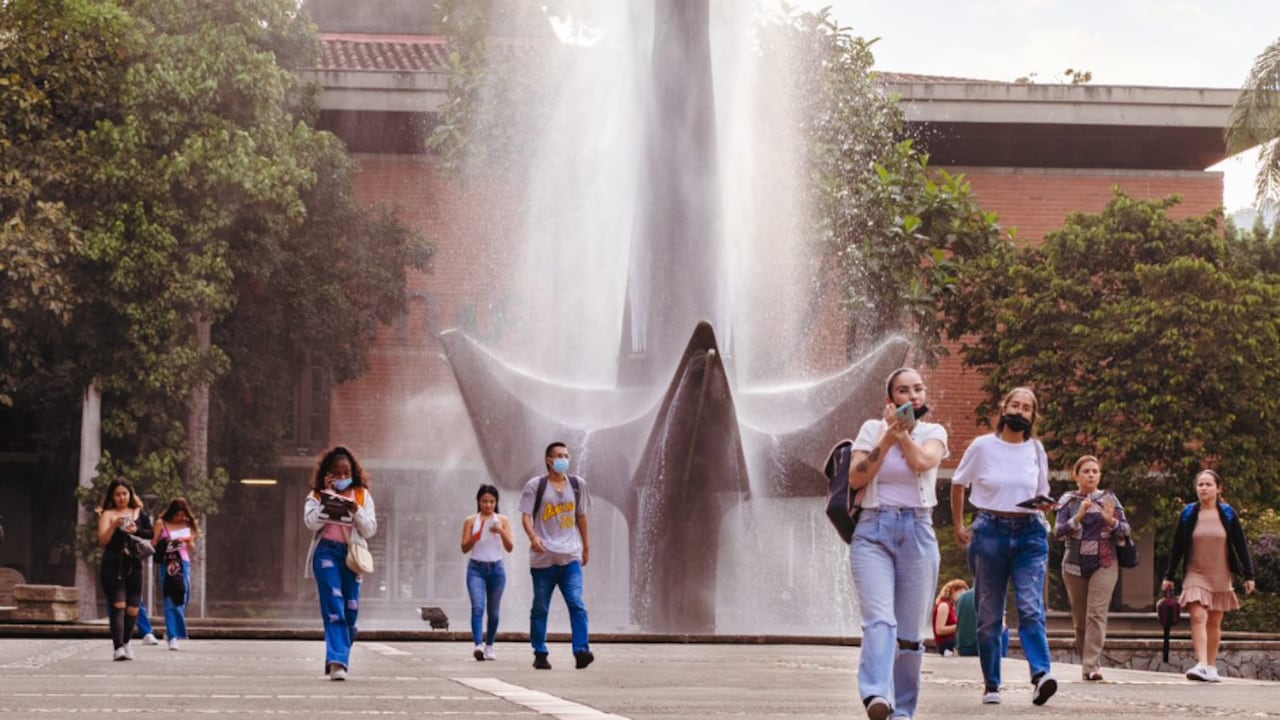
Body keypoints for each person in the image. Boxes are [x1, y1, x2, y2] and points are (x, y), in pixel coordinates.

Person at [846, 367, 948, 720]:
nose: (913, 396)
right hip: (873, 530)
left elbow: (922, 462)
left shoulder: (934, 432)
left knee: (909, 635)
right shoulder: (871, 430)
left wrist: (903, 435)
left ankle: (903, 711)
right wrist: (887, 437)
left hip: (917, 532)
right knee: (879, 620)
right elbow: (857, 477)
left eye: (918, 389)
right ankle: (876, 694)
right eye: (904, 391)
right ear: (890, 400)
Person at [950, 386, 1057, 707]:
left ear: (1032, 416)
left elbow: (1041, 491)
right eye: (1015, 405)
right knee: (989, 614)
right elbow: (958, 484)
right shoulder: (983, 446)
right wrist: (958, 526)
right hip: (990, 533)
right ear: (1003, 407)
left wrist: (1045, 508)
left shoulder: (1036, 450)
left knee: (1030, 607)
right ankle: (991, 683)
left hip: (1029, 534)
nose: (1020, 411)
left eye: (1027, 408)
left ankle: (1041, 675)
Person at [1161, 469, 1256, 682]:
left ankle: (1212, 667)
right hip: (1195, 573)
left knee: (1214, 622)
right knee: (1198, 615)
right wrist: (1169, 575)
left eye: (1208, 484)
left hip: (1221, 574)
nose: (1203, 488)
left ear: (1218, 488)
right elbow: (1177, 547)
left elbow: (1240, 546)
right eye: (1200, 484)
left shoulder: (1228, 514)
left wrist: (1249, 575)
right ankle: (1202, 664)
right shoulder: (1188, 514)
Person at [303, 445, 378, 681]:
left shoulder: (362, 495)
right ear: (328, 474)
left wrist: (356, 511)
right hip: (326, 553)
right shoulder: (315, 496)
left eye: (347, 473)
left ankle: (336, 652)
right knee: (334, 605)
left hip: (352, 555)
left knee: (351, 610)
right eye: (338, 473)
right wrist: (327, 498)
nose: (343, 477)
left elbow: (370, 530)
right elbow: (311, 524)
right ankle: (338, 662)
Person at [1055, 455, 1131, 681]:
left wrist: (1111, 521)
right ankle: (1087, 661)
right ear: (1076, 475)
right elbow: (1057, 531)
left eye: (1095, 471)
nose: (1091, 475)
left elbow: (1126, 530)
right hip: (1074, 565)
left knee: (1096, 613)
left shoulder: (1110, 499)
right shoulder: (1068, 500)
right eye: (1086, 471)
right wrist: (1078, 516)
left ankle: (1091, 666)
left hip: (1105, 563)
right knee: (1080, 620)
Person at [518, 441, 593, 670]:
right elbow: (526, 515)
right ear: (549, 460)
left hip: (570, 556)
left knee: (577, 604)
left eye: (566, 455)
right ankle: (540, 651)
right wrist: (533, 537)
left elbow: (581, 516)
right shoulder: (536, 485)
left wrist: (586, 547)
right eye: (559, 455)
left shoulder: (578, 485)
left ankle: (581, 650)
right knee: (540, 607)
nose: (564, 459)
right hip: (544, 559)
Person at [96, 477, 153, 661]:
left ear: (130, 494)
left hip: (134, 563)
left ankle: (127, 642)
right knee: (118, 605)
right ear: (113, 496)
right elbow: (102, 541)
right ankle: (118, 647)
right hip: (113, 564)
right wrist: (114, 525)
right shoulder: (108, 514)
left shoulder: (139, 512)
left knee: (133, 608)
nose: (121, 497)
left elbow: (151, 534)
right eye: (118, 494)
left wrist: (135, 530)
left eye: (125, 493)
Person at [461, 483, 514, 661]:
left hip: (496, 569)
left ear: (496, 502)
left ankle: (489, 644)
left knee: (494, 611)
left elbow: (510, 547)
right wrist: (475, 537)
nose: (488, 505)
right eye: (484, 501)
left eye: (492, 501)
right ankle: (478, 644)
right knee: (478, 607)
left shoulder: (503, 520)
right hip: (476, 568)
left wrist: (500, 531)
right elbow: (464, 547)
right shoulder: (470, 520)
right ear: (478, 501)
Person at [153, 497, 200, 651]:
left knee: (182, 597)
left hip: (183, 563)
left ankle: (171, 629)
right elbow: (154, 543)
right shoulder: (162, 523)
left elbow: (192, 548)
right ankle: (174, 636)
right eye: (177, 515)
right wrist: (167, 542)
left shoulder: (187, 524)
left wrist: (187, 540)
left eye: (182, 514)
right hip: (167, 564)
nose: (179, 518)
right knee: (170, 599)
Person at [933, 579, 968, 656]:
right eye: (960, 593)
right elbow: (939, 630)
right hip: (946, 646)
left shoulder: (952, 607)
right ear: (952, 592)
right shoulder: (944, 606)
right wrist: (960, 626)